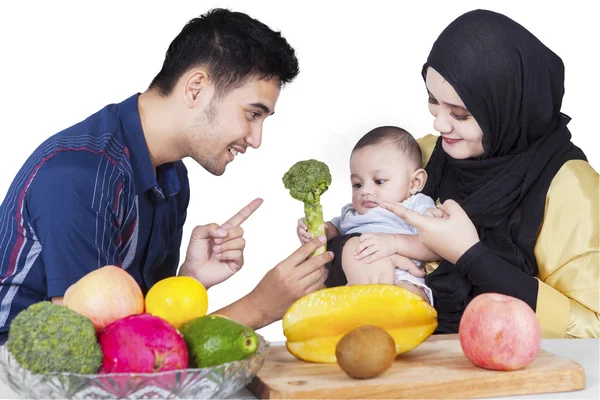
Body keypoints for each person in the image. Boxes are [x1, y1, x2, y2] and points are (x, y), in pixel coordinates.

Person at [0, 8, 333, 344]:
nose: (256, 139)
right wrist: (260, 307)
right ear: (196, 88)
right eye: (252, 114)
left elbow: (143, 327)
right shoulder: (81, 175)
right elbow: (106, 353)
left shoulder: (172, 177)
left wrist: (190, 280)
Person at [377, 10, 598, 338]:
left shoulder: (572, 190)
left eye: (461, 114)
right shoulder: (421, 156)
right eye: (433, 101)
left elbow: (592, 329)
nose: (439, 123)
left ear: (508, 110)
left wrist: (470, 255)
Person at [297, 126, 439, 303]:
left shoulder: (416, 205)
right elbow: (327, 233)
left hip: (403, 278)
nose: (365, 191)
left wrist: (394, 243)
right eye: (357, 184)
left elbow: (435, 247)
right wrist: (311, 229)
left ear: (415, 182)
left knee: (410, 299)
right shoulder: (351, 212)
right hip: (356, 286)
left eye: (379, 181)